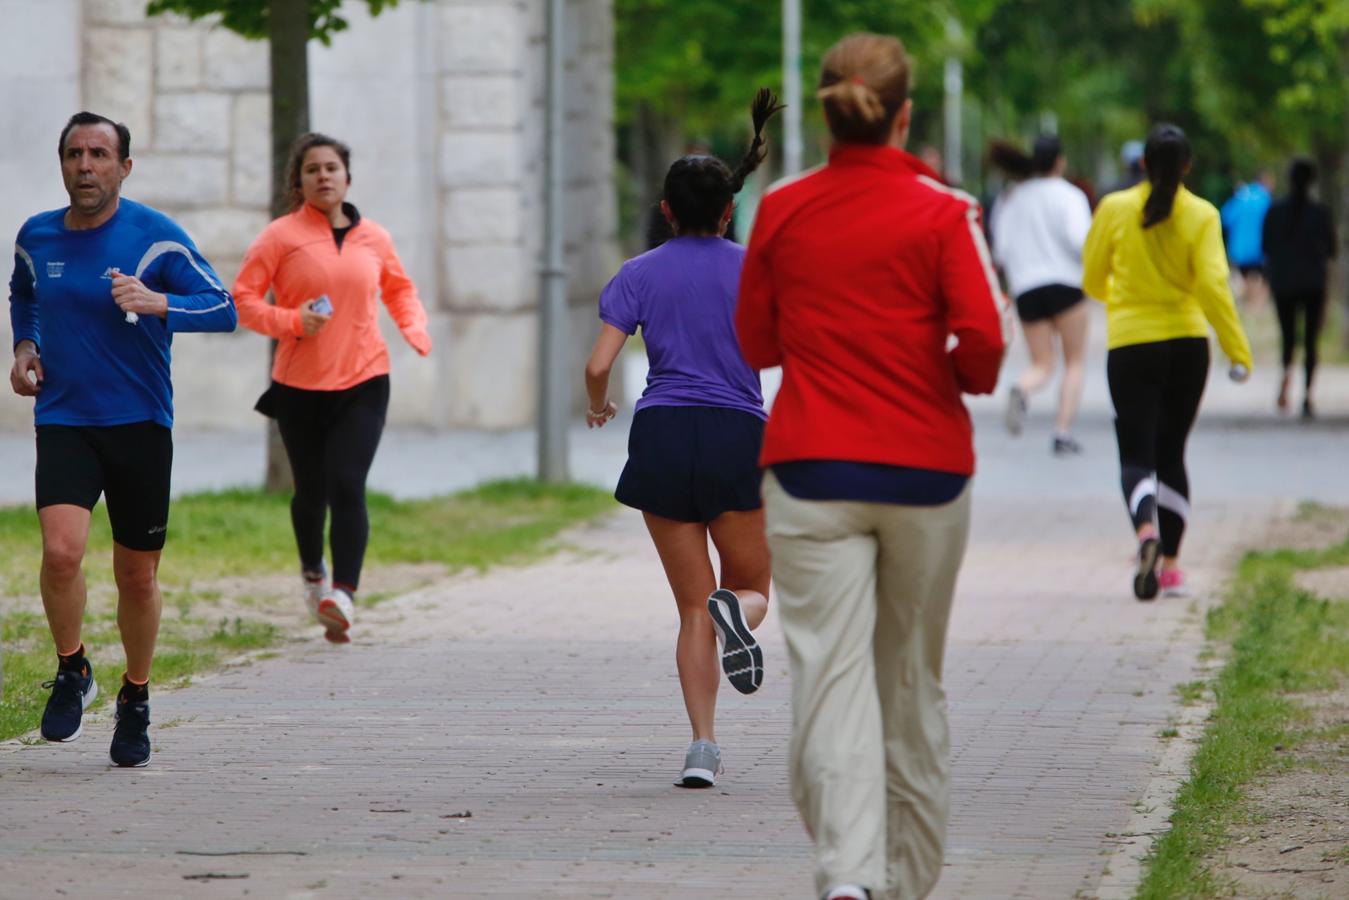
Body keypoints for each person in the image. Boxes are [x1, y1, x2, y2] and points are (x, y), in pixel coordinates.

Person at [737, 34, 1006, 900]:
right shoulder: (943, 210)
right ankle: (904, 881)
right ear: (904, 114)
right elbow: (985, 345)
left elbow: (754, 341)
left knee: (828, 674)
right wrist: (952, 376)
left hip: (811, 464)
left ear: (825, 109)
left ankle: (846, 876)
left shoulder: (781, 207)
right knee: (909, 679)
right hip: (926, 471)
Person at [8, 111, 237, 767]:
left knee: (136, 577)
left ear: (124, 167)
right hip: (64, 417)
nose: (86, 165)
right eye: (75, 153)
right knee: (60, 552)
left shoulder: (154, 237)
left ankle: (135, 695)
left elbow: (224, 307)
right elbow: (22, 292)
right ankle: (72, 667)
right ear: (62, 163)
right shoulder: (37, 236)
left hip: (139, 424)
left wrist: (157, 301)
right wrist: (26, 345)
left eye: (100, 154)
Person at [584, 89, 782, 789]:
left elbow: (599, 364)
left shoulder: (637, 274)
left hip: (662, 434)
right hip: (737, 434)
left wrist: (599, 408)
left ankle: (702, 747)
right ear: (729, 210)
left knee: (690, 609)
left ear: (665, 212)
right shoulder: (757, 270)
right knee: (750, 586)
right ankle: (742, 615)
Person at [233, 133, 431, 643]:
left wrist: (414, 327)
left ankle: (343, 594)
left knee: (347, 483)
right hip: (299, 384)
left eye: (331, 168)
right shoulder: (279, 236)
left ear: (347, 177)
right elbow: (244, 299)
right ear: (297, 183)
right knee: (310, 491)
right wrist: (291, 320)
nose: (323, 176)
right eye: (312, 170)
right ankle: (312, 574)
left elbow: (399, 289)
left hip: (365, 378)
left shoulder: (375, 239)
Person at [1083, 124, 1253, 602]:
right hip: (1187, 346)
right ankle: (1174, 566)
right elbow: (1214, 287)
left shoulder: (1115, 209)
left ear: (1142, 164)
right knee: (1172, 451)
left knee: (1136, 454)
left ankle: (1144, 533)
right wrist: (1238, 350)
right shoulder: (1201, 214)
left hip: (1131, 343)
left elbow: (1093, 278)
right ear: (1187, 167)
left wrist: (1122, 298)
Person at [988, 135, 1093, 454]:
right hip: (1066, 285)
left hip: (1028, 288)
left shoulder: (1012, 198)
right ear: (1059, 161)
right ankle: (1062, 432)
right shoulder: (1070, 196)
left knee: (1042, 363)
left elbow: (1001, 250)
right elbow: (1081, 241)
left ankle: (1022, 388)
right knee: (1073, 361)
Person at [1262, 157, 1337, 418]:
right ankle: (1307, 394)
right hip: (1312, 282)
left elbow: (1266, 246)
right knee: (1310, 340)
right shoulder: (1320, 213)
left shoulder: (1275, 211)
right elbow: (1331, 250)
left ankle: (1285, 375)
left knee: (1288, 336)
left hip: (1284, 281)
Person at [1220, 170, 1274, 306]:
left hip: (1239, 250)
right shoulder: (1266, 199)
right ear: (1265, 182)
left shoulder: (1240, 196)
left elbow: (1225, 219)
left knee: (1244, 279)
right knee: (1260, 280)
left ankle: (1246, 307)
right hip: (1260, 250)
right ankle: (1256, 309)